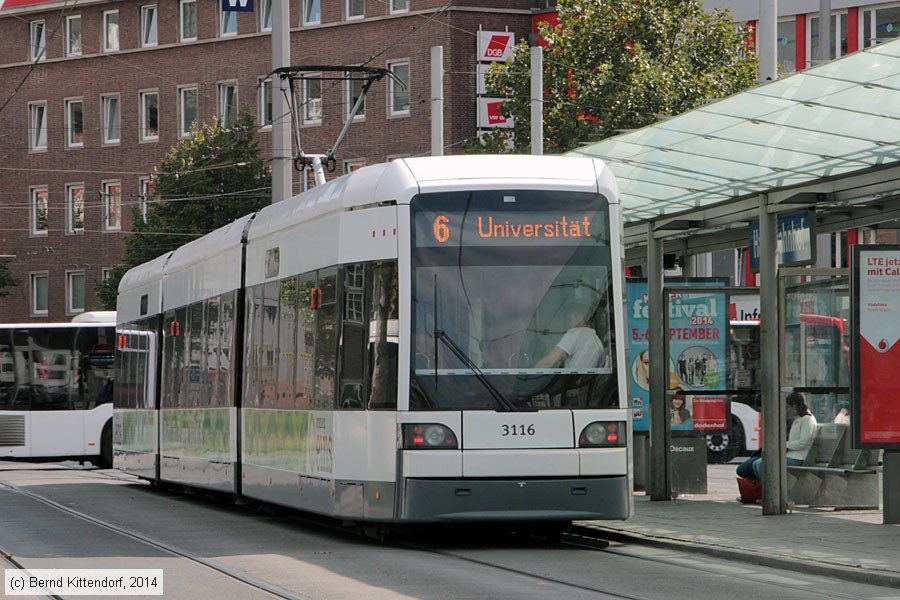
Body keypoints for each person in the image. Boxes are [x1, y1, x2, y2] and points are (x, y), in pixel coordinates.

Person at [736, 391, 817, 488]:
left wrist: (784, 444)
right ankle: (765, 489)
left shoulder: (807, 420)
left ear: (794, 406)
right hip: (792, 455)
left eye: (788, 407)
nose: (788, 410)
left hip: (798, 457)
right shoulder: (799, 419)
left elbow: (803, 442)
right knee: (757, 464)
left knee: (760, 464)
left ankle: (769, 488)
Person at [535, 305, 605, 369]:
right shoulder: (597, 341)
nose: (568, 324)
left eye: (570, 320)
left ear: (580, 319)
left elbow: (548, 362)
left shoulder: (574, 333)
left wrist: (532, 372)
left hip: (572, 378)